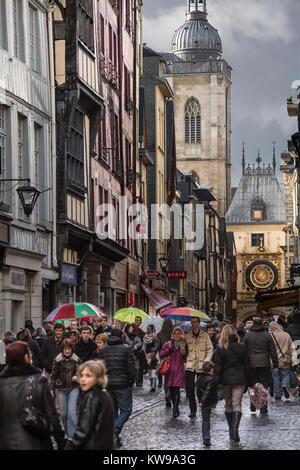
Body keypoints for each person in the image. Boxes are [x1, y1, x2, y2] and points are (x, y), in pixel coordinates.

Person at [0, 341, 66, 450]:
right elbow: (51, 413)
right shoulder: (38, 379)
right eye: (29, 353)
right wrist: (60, 440)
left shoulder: (2, 383)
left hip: (7, 442)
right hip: (36, 440)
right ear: (25, 356)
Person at [65, 360, 114, 450]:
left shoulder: (91, 396)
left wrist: (69, 447)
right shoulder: (103, 394)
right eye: (81, 375)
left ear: (98, 378)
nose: (83, 379)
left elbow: (83, 430)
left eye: (88, 376)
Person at [99, 328, 136, 448]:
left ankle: (116, 437)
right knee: (126, 410)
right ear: (121, 336)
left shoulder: (103, 350)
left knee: (114, 411)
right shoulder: (126, 348)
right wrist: (131, 381)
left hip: (108, 384)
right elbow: (131, 367)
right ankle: (114, 431)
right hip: (123, 384)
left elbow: (101, 367)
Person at [214, 324, 249, 443]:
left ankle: (231, 430)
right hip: (239, 379)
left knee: (228, 404)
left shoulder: (220, 348)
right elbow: (247, 365)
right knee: (237, 404)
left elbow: (218, 367)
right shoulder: (242, 347)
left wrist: (216, 381)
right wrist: (249, 381)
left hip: (225, 380)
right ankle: (235, 430)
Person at [243, 316, 279, 416]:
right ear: (262, 323)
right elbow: (273, 351)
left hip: (251, 364)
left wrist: (244, 363)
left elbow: (243, 350)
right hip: (264, 364)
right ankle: (263, 407)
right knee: (264, 385)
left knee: (253, 385)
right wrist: (275, 364)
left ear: (253, 323)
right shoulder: (267, 335)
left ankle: (253, 405)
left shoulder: (248, 335)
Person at [50, 339, 82, 438]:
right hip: (61, 388)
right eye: (65, 349)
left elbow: (83, 372)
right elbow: (54, 374)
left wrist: (77, 377)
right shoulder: (58, 359)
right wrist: (51, 388)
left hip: (74, 388)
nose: (67, 351)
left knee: (71, 412)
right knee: (63, 414)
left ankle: (72, 436)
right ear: (62, 349)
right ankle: (67, 432)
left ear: (72, 349)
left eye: (69, 349)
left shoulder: (77, 359)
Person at [183, 317, 213, 418]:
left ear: (199, 323)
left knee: (201, 389)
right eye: (192, 322)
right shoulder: (187, 336)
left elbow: (210, 349)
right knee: (190, 389)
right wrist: (182, 343)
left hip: (202, 366)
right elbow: (183, 352)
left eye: (195, 322)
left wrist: (206, 361)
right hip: (190, 365)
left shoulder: (205, 336)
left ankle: (204, 404)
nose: (193, 324)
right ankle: (193, 410)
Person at [159, 327, 186, 418]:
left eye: (179, 333)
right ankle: (175, 405)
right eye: (175, 333)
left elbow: (187, 355)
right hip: (169, 371)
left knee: (177, 390)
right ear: (173, 335)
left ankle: (175, 408)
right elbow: (161, 354)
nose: (177, 335)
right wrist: (168, 351)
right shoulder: (168, 344)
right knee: (171, 389)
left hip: (179, 369)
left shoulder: (183, 344)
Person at [269, 322, 295, 400]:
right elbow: (292, 348)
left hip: (274, 361)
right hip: (285, 360)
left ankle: (278, 394)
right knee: (286, 375)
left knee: (275, 377)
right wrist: (294, 358)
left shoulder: (270, 336)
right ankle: (285, 386)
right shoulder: (286, 335)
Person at [197, 361, 219, 447]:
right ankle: (206, 438)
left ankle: (206, 437)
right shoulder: (211, 380)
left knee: (205, 420)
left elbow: (198, 391)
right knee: (206, 420)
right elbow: (208, 391)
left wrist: (200, 401)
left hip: (203, 402)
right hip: (208, 401)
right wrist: (202, 401)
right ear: (211, 369)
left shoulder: (199, 378)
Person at [156, 319, 173, 399]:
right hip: (173, 358)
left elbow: (157, 347)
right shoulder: (173, 335)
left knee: (166, 376)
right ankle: (170, 391)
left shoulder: (159, 335)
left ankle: (167, 392)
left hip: (163, 357)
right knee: (171, 376)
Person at [143, 324, 159, 392]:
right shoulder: (145, 336)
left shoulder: (154, 337)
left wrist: (152, 355)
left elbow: (155, 347)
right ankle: (151, 383)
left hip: (153, 356)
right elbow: (144, 347)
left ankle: (153, 385)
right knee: (149, 371)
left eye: (149, 329)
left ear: (152, 329)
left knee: (153, 370)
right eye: (147, 328)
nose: (148, 330)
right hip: (146, 355)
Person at [133, 316, 145, 387]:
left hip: (140, 351)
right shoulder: (131, 329)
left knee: (140, 367)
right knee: (134, 367)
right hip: (133, 350)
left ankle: (140, 381)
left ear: (140, 321)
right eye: (136, 320)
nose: (137, 321)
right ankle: (135, 380)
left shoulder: (143, 330)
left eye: (138, 320)